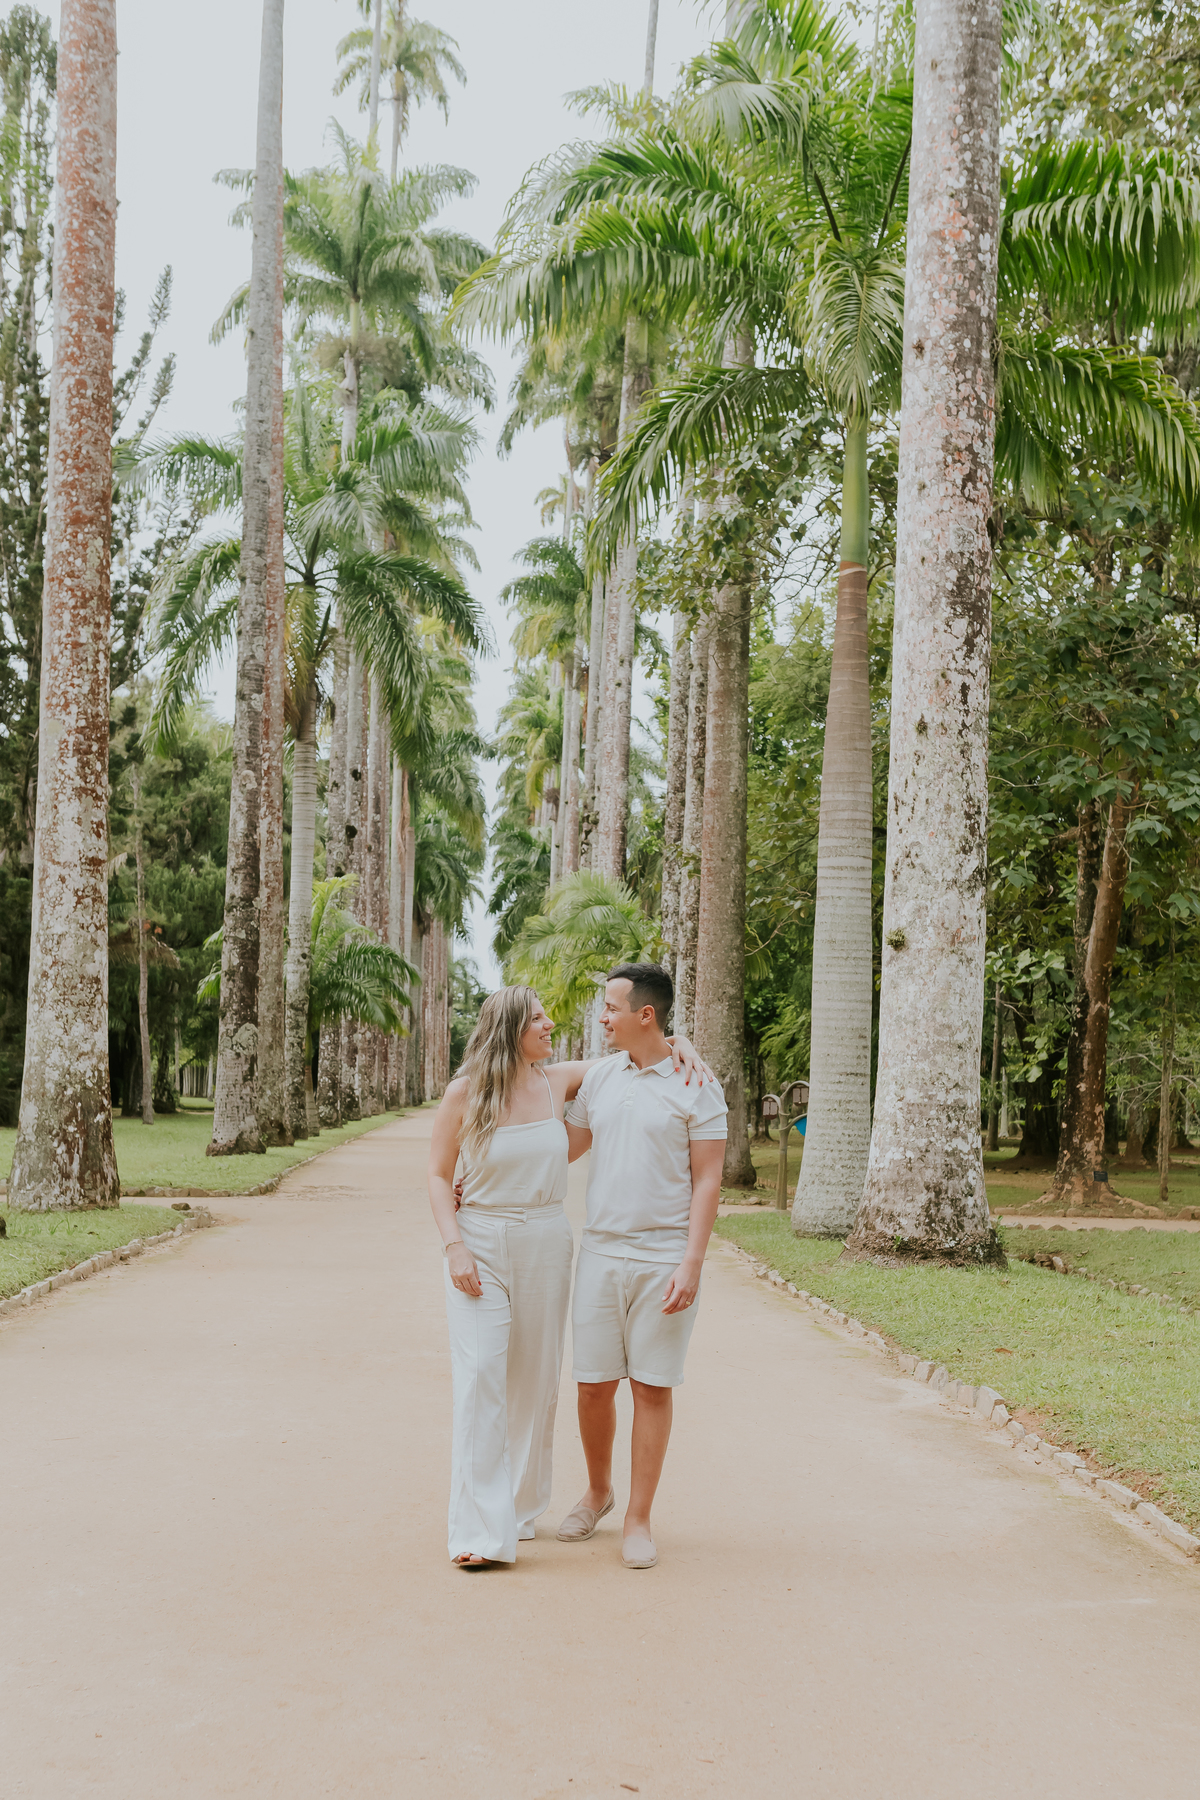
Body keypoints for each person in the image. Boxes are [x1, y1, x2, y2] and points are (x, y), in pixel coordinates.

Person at [427, 985, 710, 1569]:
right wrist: (454, 1244)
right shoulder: (465, 1093)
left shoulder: (556, 1082)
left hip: (546, 1242)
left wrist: (681, 1042)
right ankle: (478, 1532)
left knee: (534, 1381)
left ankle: (519, 1508)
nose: (551, 1024)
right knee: (481, 1375)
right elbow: (437, 1175)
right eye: (538, 1018)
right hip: (478, 1241)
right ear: (511, 1029)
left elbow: (638, 1052)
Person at [558, 962, 727, 1570]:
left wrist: (693, 1262)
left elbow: (708, 1180)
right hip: (601, 1251)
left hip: (664, 1255)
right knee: (593, 1384)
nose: (602, 1017)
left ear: (644, 1015)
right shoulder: (600, 1077)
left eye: (610, 1008)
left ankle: (638, 1517)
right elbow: (566, 1149)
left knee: (652, 1386)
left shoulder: (697, 1085)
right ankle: (598, 1492)